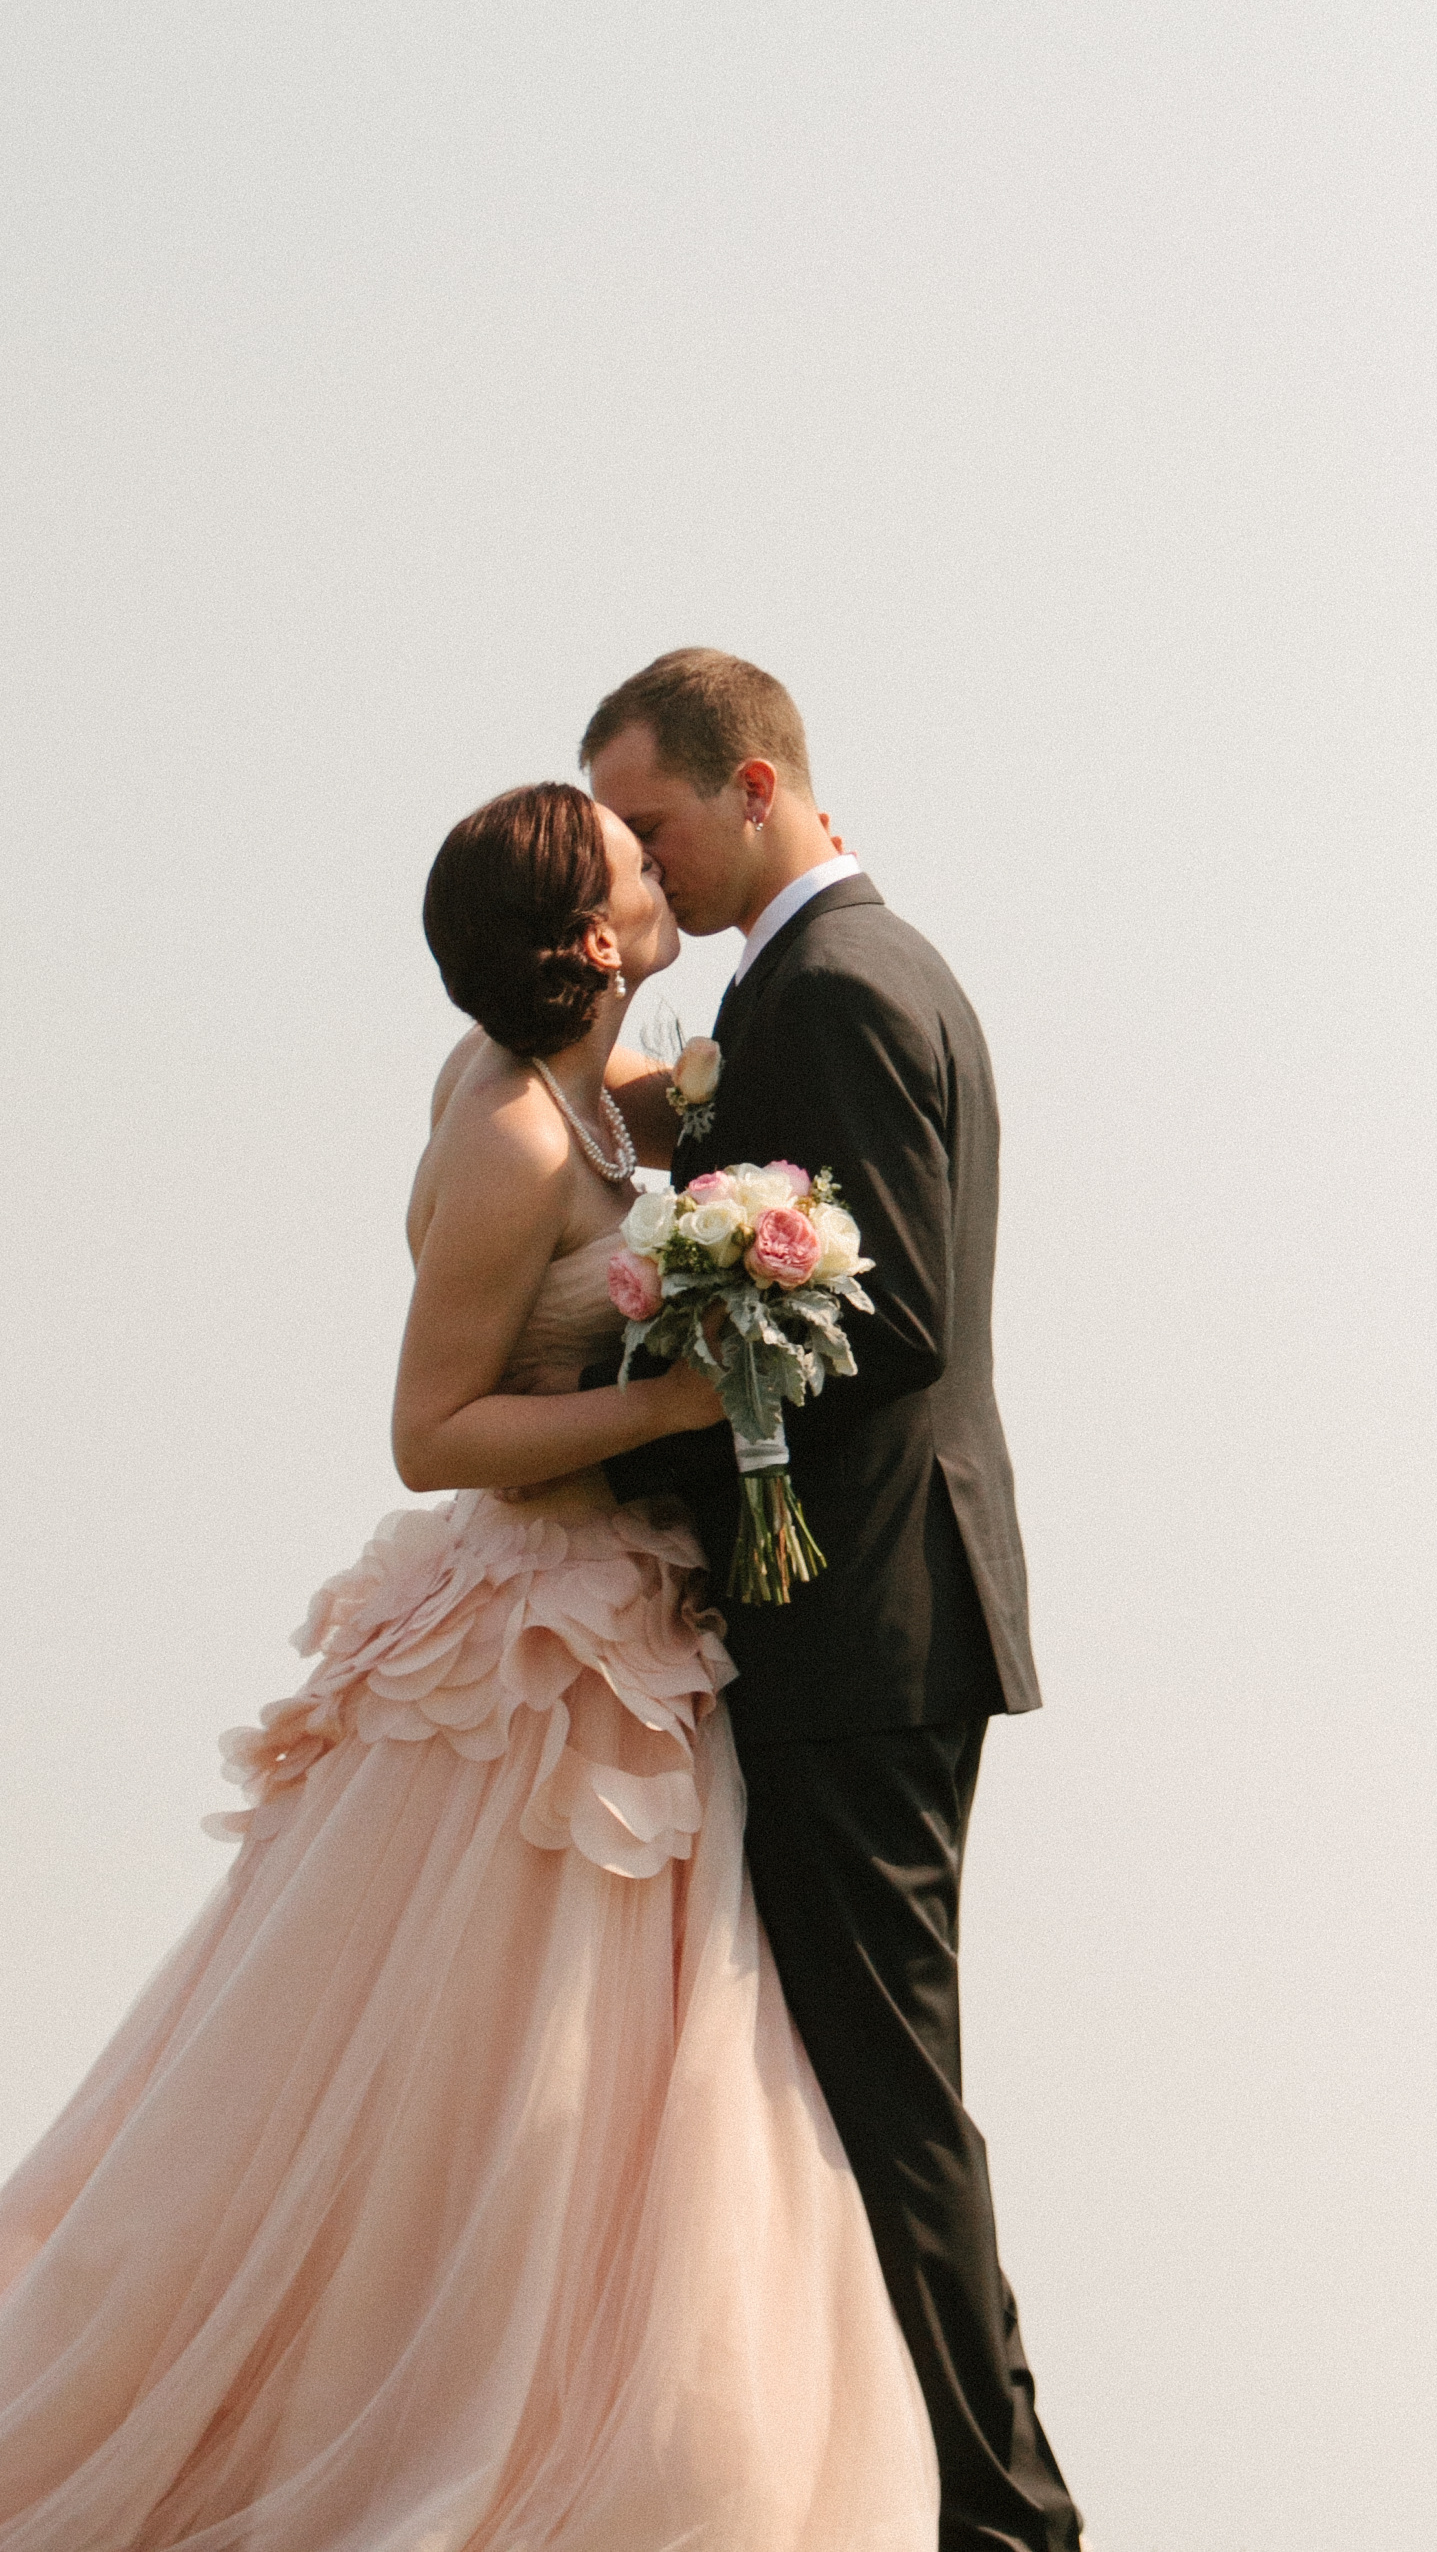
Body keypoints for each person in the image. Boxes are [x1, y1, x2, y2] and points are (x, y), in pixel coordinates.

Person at [0, 781, 939, 2552]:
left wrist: (751, 1157)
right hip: (530, 1649)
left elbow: (651, 1116)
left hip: (624, 1612)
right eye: (628, 860)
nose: (658, 869)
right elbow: (429, 1428)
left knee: (601, 2065)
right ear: (591, 943)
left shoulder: (578, 1097)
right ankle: (434, 2418)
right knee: (507, 2065)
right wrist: (686, 1394)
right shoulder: (502, 1129)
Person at [583, 647, 1082, 2552]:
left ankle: (1012, 2521)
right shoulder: (798, 989)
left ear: (760, 783)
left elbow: (881, 1334)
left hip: (867, 1621)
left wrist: (606, 1452)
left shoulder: (843, 987)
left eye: (654, 821)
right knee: (852, 2078)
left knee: (889, 2087)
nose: (643, 863)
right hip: (859, 1619)